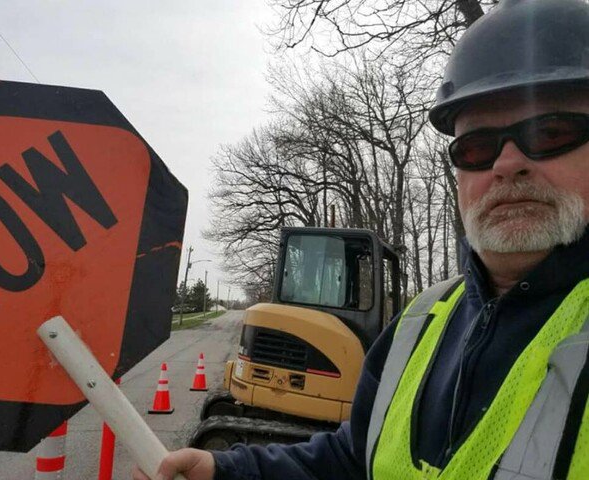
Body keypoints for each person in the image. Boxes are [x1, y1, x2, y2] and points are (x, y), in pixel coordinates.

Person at [134, 0, 589, 478]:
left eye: (550, 132)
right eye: (476, 147)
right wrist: (227, 473)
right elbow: (354, 458)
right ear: (458, 171)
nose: (505, 164)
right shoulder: (418, 326)